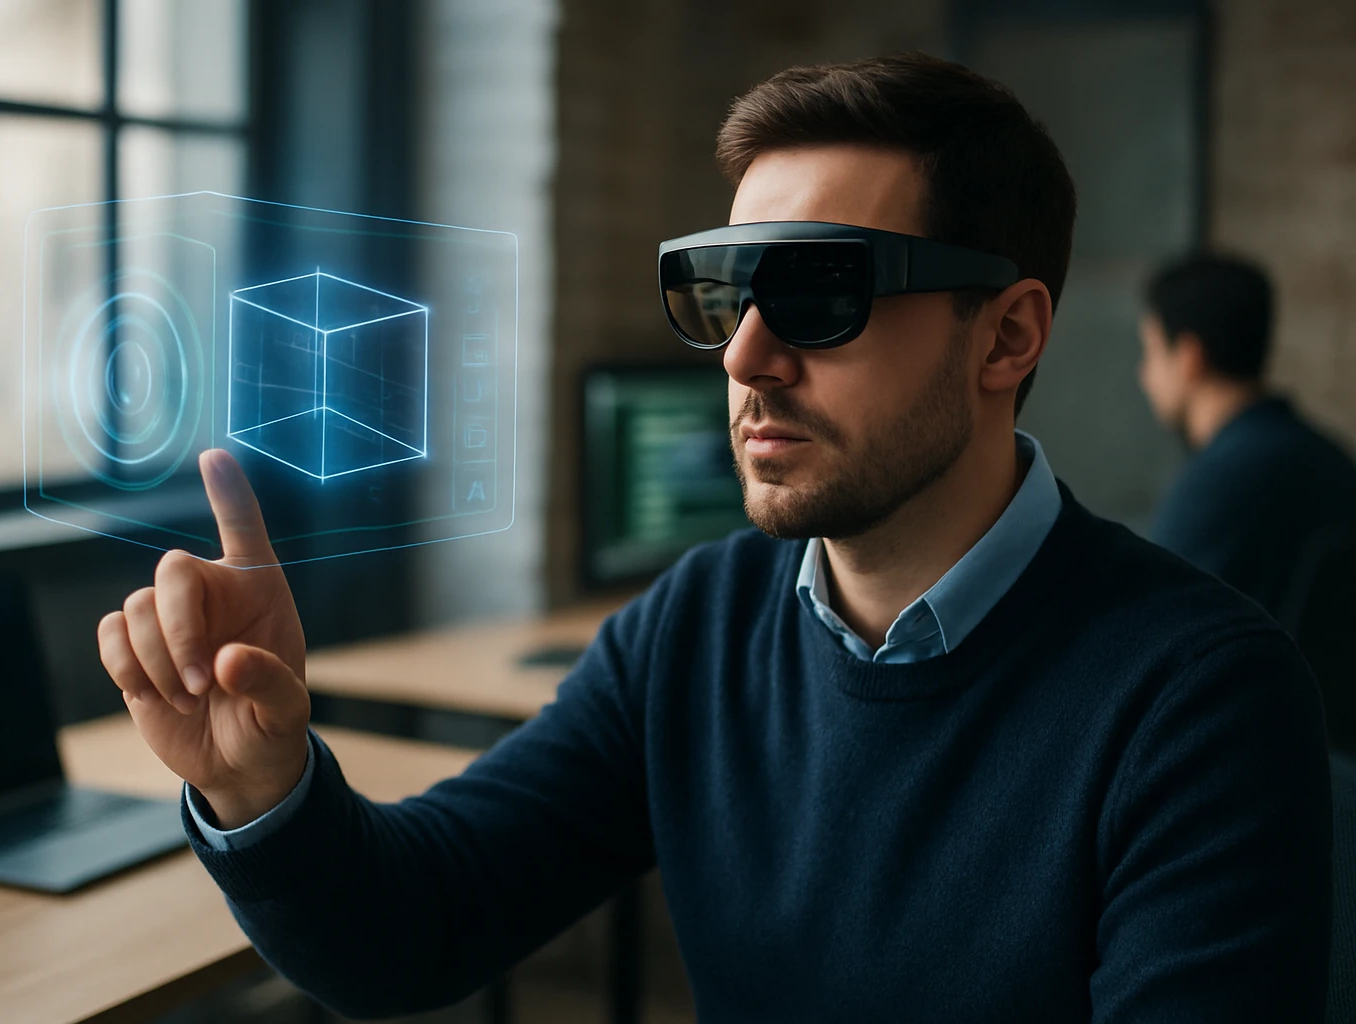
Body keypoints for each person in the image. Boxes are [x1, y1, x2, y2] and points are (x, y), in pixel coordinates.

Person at [99, 54, 1331, 1022]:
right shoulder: (695, 626)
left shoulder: (1199, 695)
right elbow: (417, 925)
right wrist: (259, 784)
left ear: (1006, 338)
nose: (742, 354)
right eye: (727, 291)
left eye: (820, 292)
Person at [1139, 253, 1356, 621]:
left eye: (1151, 352)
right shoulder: (1330, 458)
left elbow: (1147, 614)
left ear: (1190, 357)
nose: (1143, 374)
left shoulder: (1221, 478)